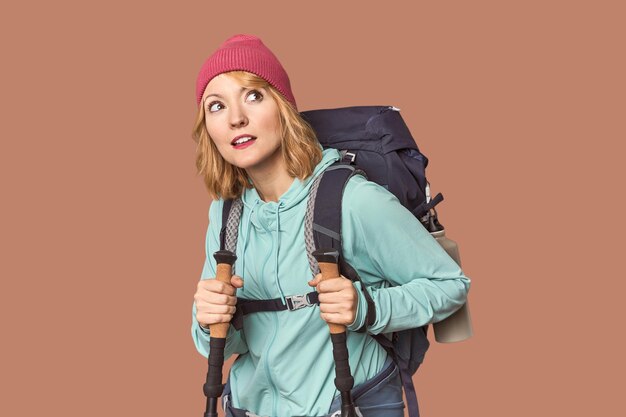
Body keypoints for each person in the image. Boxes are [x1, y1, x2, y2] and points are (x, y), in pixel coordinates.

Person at [191, 34, 471, 417]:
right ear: (208, 128)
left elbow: (450, 285)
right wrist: (209, 320)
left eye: (253, 95)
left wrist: (367, 307)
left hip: (346, 404)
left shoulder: (352, 199)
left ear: (284, 106)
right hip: (248, 407)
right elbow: (228, 342)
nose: (236, 117)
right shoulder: (225, 214)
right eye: (216, 106)